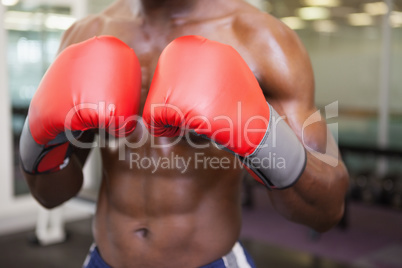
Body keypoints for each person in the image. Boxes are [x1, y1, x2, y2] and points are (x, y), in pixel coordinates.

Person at [19, 0, 349, 267]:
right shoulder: (86, 34)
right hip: (105, 259)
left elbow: (325, 210)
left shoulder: (260, 39)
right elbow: (50, 195)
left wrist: (265, 141)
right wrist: (38, 144)